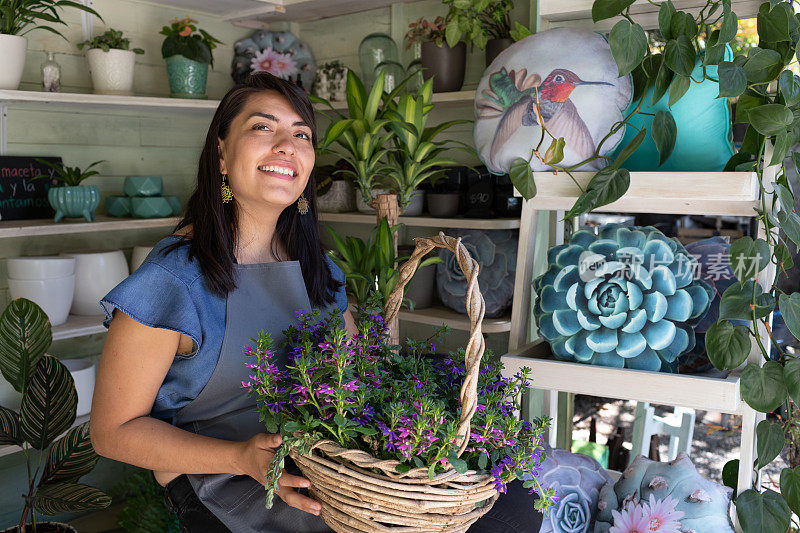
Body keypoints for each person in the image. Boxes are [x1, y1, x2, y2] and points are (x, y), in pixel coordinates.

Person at [90, 71, 542, 532]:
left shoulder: (316, 268)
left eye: (301, 134)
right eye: (262, 127)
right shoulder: (173, 280)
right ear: (221, 154)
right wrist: (240, 457)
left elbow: (360, 374)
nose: (286, 145)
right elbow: (112, 431)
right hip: (225, 482)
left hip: (326, 463)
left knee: (512, 507)